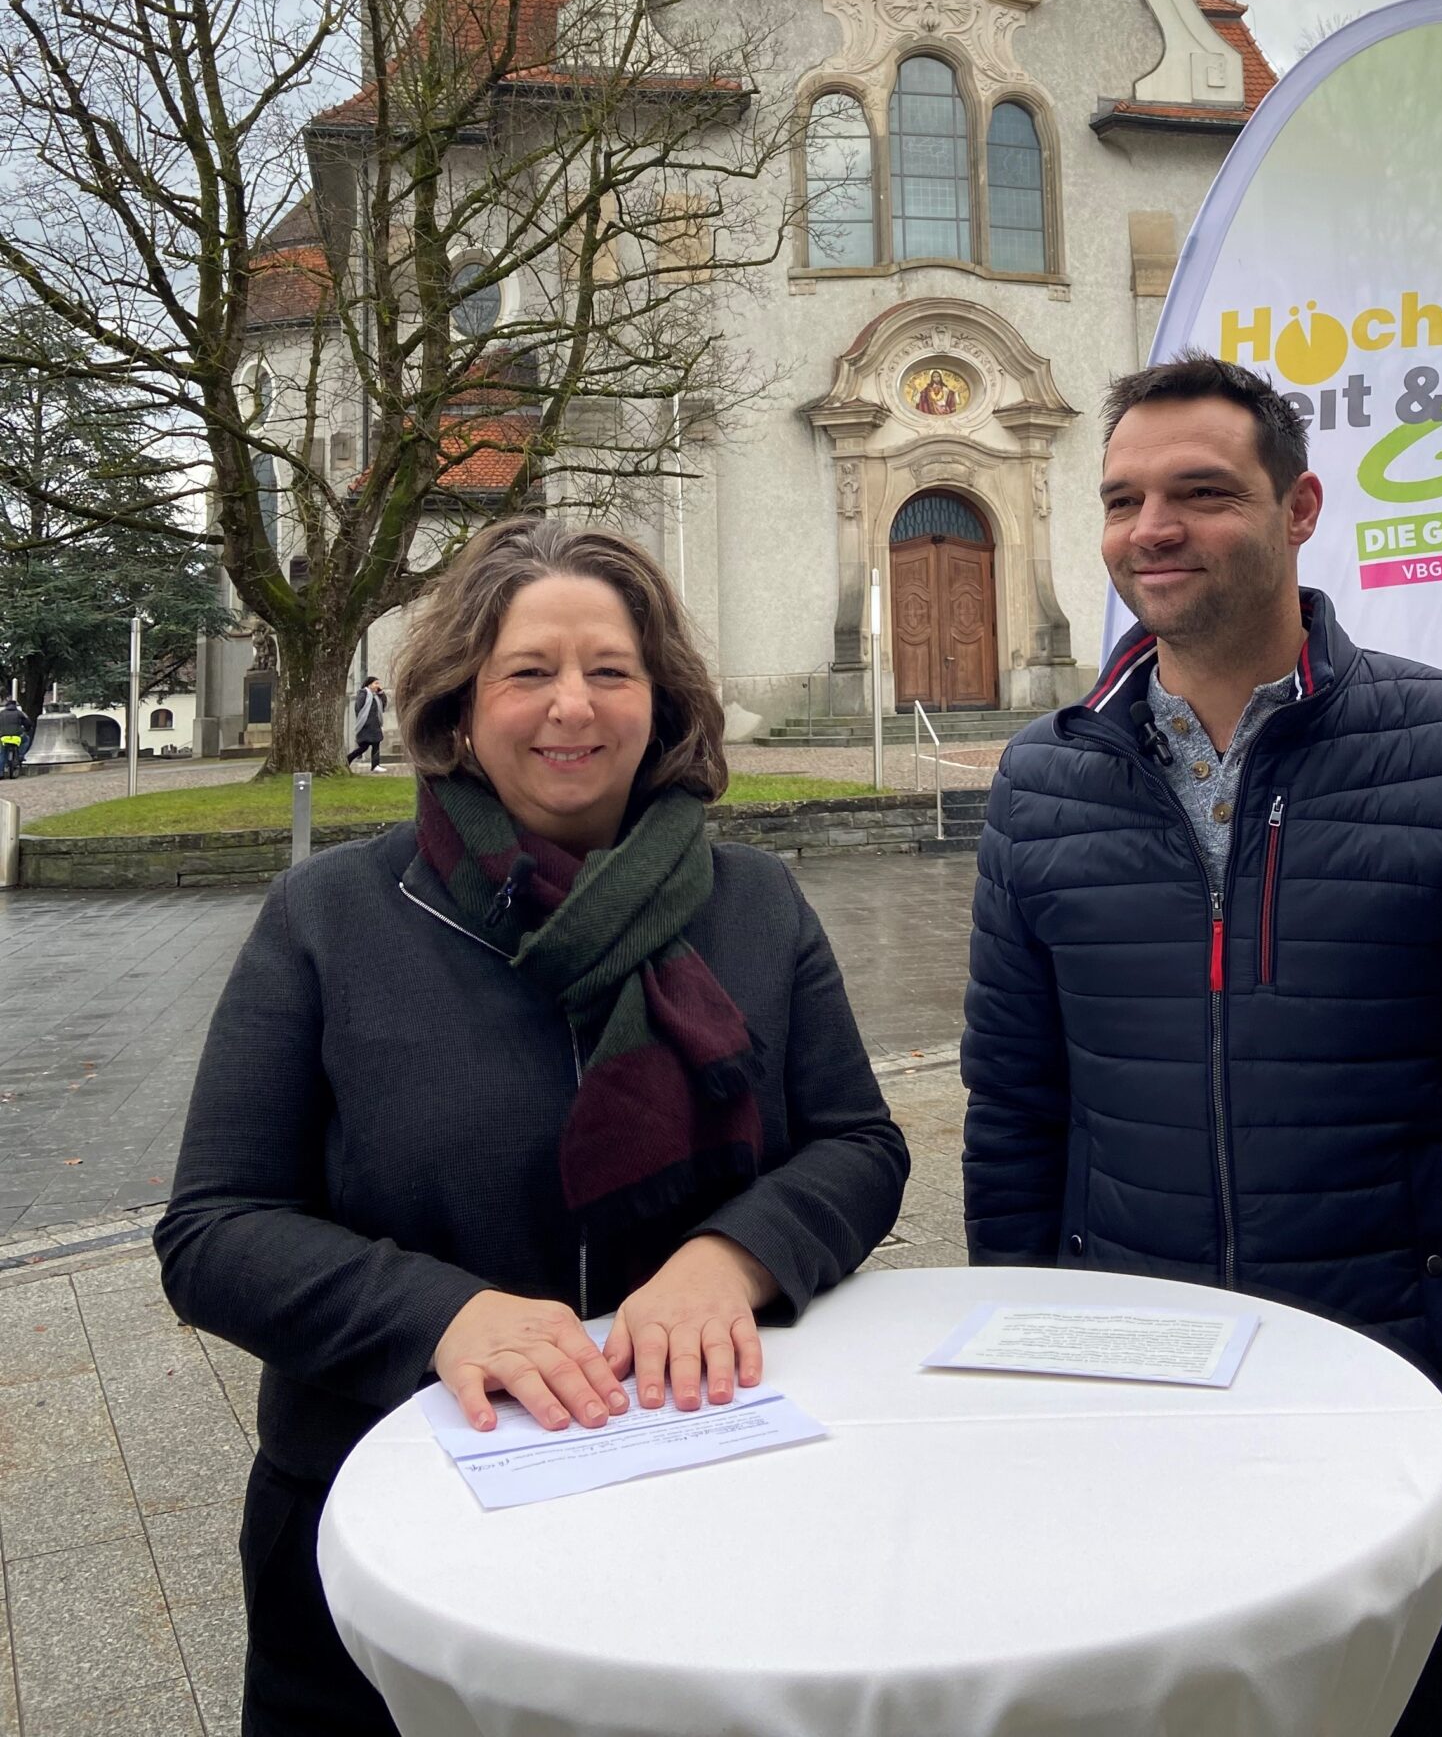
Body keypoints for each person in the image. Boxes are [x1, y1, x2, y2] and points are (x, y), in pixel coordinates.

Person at [962, 354, 1442, 1737]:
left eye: (1203, 492)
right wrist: (1033, 1397)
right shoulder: (1040, 783)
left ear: (1300, 508)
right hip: (1139, 1422)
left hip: (1415, 1421)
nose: (1153, 528)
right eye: (1123, 498)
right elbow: (1016, 1119)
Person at [158, 515, 909, 1737]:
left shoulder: (755, 902)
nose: (575, 706)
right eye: (530, 672)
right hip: (389, 1498)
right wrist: (444, 1315)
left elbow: (859, 1145)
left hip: (702, 1482)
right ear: (459, 710)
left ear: (659, 704)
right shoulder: (331, 916)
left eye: (611, 671)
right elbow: (214, 1230)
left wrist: (734, 1256)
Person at [345, 673, 385, 771]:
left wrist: (382, 694)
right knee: (364, 747)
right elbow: (359, 707)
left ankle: (375, 765)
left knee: (376, 744)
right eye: (376, 683)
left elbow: (383, 706)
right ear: (369, 684)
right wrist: (366, 721)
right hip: (366, 725)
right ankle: (348, 759)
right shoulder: (363, 693)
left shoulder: (376, 696)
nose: (378, 686)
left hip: (374, 725)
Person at [0, 695, 27, 778]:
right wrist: (27, 729)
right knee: (26, 739)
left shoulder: (1, 713)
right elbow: (28, 723)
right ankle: (21, 755)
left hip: (4, 738)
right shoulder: (19, 713)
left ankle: (0, 772)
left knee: (2, 753)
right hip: (16, 738)